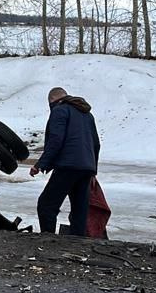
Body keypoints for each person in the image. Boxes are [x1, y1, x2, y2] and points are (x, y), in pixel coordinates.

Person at [30, 87, 102, 236]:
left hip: (67, 165)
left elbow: (56, 140)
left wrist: (40, 164)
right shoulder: (87, 114)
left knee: (46, 205)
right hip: (86, 168)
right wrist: (93, 170)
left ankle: (47, 237)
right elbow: (96, 144)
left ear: (52, 100)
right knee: (79, 208)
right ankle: (77, 240)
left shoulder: (59, 110)